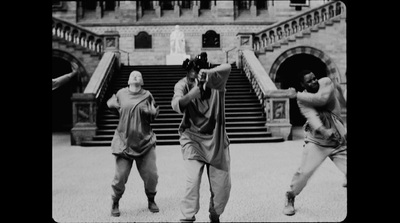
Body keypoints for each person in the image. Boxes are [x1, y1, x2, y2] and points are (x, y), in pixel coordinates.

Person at [171, 56, 232, 223]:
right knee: (192, 180)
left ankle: (215, 212)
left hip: (217, 139)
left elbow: (227, 67)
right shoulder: (182, 85)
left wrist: (208, 72)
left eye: (197, 73)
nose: (195, 77)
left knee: (222, 188)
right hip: (192, 138)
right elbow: (175, 104)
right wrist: (190, 95)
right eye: (191, 74)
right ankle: (188, 217)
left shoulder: (216, 83)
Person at [283, 70, 347, 216]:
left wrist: (297, 94)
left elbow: (321, 99)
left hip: (338, 139)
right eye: (309, 81)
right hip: (317, 141)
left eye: (314, 78)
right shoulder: (302, 100)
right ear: (303, 84)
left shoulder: (325, 83)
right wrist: (324, 130)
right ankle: (290, 196)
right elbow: (311, 117)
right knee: (304, 173)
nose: (314, 82)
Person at [107, 70, 160, 217]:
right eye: (132, 75)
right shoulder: (121, 94)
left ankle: (151, 199)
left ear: (142, 81)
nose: (135, 76)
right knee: (120, 176)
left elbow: (154, 114)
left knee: (152, 175)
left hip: (145, 142)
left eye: (139, 75)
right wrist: (111, 105)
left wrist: (152, 112)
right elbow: (114, 107)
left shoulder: (147, 95)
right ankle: (115, 201)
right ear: (128, 81)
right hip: (124, 142)